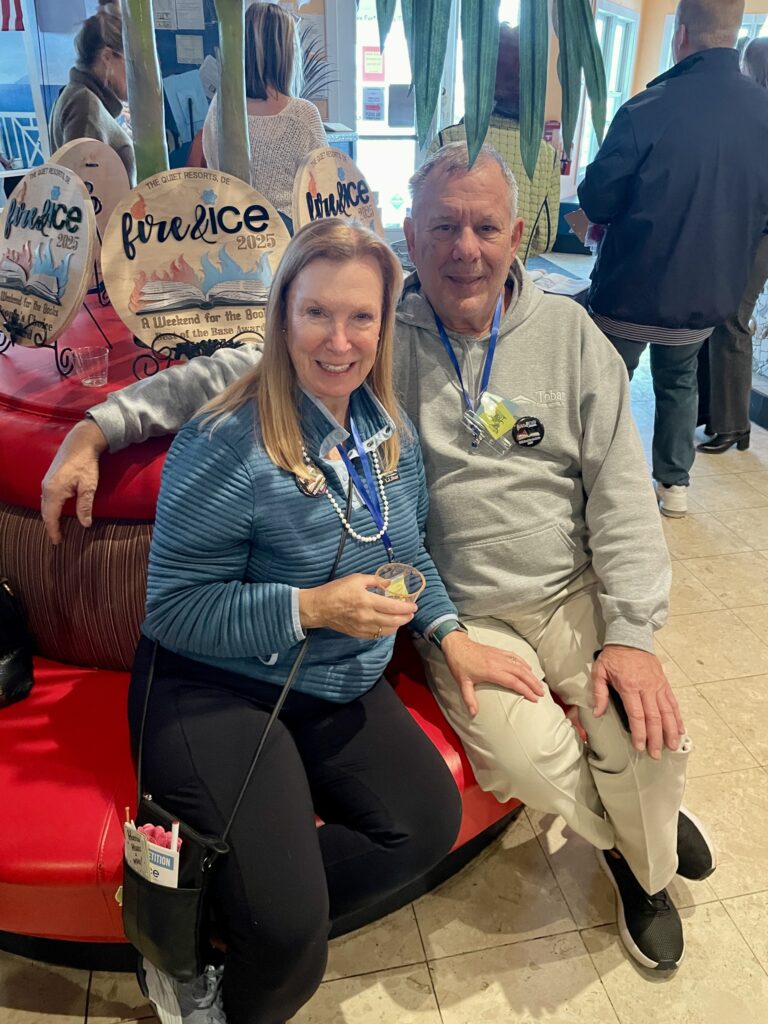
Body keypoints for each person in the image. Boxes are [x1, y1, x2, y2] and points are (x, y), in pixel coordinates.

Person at [41, 144, 716, 976]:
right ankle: (636, 832)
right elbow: (233, 372)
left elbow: (621, 495)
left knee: (650, 735)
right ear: (411, 234)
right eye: (442, 226)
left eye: (485, 226)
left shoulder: (571, 335)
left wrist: (634, 632)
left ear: (518, 234)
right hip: (464, 609)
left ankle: (635, 849)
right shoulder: (376, 325)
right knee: (524, 756)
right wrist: (94, 428)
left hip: (567, 587)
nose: (464, 247)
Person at [127, 219, 472, 1023]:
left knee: (424, 826)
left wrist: (448, 631)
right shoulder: (224, 440)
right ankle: (222, 968)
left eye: (362, 317)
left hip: (325, 679)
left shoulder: (386, 432)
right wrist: (314, 607)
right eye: (318, 313)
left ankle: (229, 912)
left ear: (387, 325)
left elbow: (406, 548)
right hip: (209, 684)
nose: (340, 341)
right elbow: (172, 609)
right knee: (290, 945)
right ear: (283, 313)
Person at [578, 0, 768, 517]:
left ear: (681, 34)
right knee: (678, 380)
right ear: (734, 35)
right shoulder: (763, 115)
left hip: (631, 288)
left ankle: (595, 482)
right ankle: (674, 483)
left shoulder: (646, 108)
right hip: (707, 294)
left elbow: (597, 199)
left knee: (605, 385)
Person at [431, 23, 560, 263]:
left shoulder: (447, 140)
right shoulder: (545, 154)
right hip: (513, 277)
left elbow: (426, 220)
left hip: (450, 272)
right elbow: (545, 238)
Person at [697, 35, 768, 455]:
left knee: (732, 321)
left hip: (759, 235)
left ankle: (733, 426)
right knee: (722, 316)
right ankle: (718, 415)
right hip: (746, 230)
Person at [202, 1, 326, 226]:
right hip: (291, 244)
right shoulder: (302, 114)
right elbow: (323, 192)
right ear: (288, 52)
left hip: (229, 232)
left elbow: (213, 168)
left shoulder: (220, 108)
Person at [49, 0, 135, 185]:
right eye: (130, 64)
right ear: (107, 57)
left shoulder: (78, 96)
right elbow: (82, 194)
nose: (135, 75)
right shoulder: (84, 105)